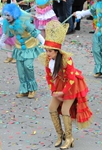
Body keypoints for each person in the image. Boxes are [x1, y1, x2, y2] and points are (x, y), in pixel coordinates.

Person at [40, 20, 93, 149]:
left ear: (57, 51)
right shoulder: (48, 60)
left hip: (70, 86)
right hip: (58, 86)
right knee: (52, 108)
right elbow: (49, 77)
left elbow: (71, 78)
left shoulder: (66, 60)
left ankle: (69, 138)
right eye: (46, 50)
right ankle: (60, 135)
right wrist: (53, 90)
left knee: (64, 110)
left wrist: (62, 92)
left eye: (50, 51)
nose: (47, 54)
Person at [0, 3, 45, 99]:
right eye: (5, 15)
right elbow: (6, 34)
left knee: (28, 66)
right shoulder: (7, 24)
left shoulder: (24, 22)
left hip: (30, 47)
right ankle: (24, 89)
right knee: (20, 69)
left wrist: (44, 43)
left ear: (14, 14)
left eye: (8, 15)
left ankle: (32, 89)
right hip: (19, 48)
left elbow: (35, 33)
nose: (6, 17)